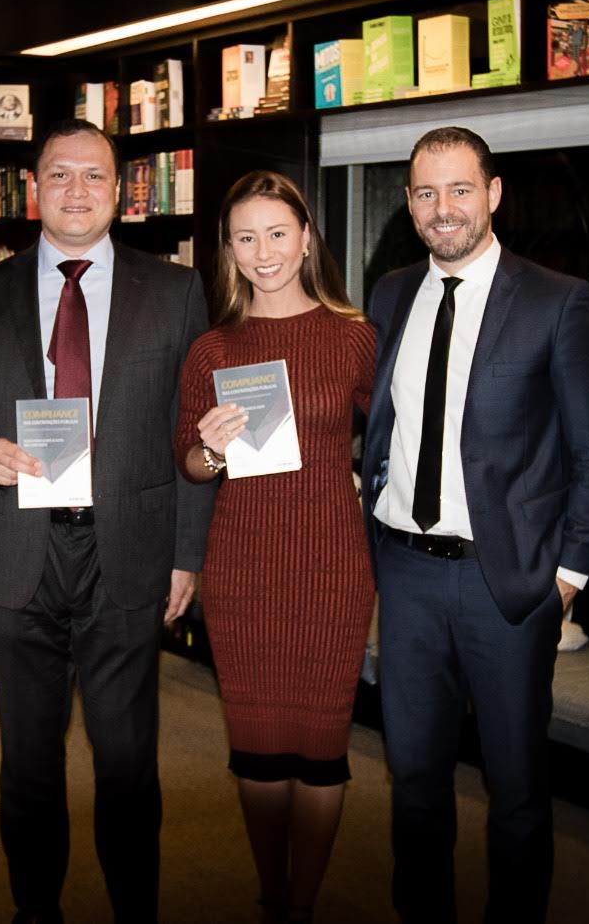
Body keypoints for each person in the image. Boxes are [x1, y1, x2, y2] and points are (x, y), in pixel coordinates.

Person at [0, 118, 215, 924]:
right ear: (33, 190)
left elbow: (196, 429)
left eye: (95, 175)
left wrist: (186, 554)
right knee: (27, 762)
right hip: (23, 549)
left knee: (127, 763)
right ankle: (36, 911)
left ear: (123, 193)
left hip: (130, 552)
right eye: (59, 175)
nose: (77, 190)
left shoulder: (175, 291)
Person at [362, 127, 589, 923]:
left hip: (505, 583)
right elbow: (384, 425)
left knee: (514, 789)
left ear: (493, 193)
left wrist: (568, 577)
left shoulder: (556, 299)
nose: (444, 209)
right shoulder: (391, 295)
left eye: (460, 189)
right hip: (404, 575)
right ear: (409, 203)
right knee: (412, 783)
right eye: (426, 193)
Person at [174, 171, 376, 924]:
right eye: (246, 237)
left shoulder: (355, 337)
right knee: (257, 747)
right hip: (243, 566)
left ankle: (303, 899)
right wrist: (211, 447)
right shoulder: (211, 348)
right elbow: (187, 462)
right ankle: (270, 893)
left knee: (321, 749)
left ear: (307, 237)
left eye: (278, 233)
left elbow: (392, 440)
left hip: (331, 565)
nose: (264, 252)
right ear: (228, 249)